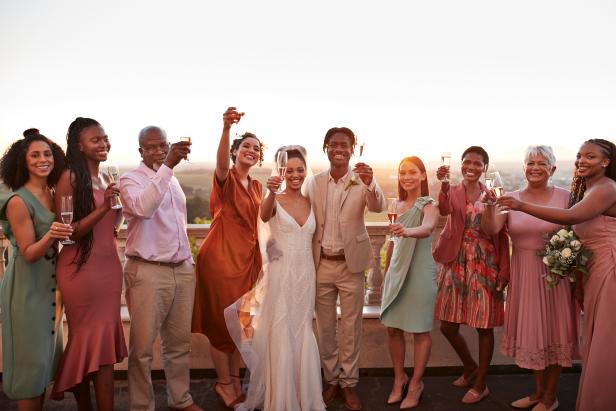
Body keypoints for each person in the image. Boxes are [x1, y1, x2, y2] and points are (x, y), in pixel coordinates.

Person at [498, 139, 616, 411]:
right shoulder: (590, 188)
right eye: (579, 156)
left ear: (606, 162)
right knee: (541, 336)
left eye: (591, 156)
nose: (582, 161)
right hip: (584, 269)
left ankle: (584, 399)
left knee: (603, 339)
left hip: (607, 267)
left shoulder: (604, 188)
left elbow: (570, 218)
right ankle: (540, 394)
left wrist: (520, 206)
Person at [225, 146, 326, 411]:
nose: (295, 175)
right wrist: (271, 191)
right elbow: (263, 215)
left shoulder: (311, 201)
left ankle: (305, 396)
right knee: (281, 330)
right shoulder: (274, 199)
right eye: (289, 170)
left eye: (300, 170)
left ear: (306, 171)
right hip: (281, 275)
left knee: (302, 329)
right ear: (280, 171)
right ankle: (281, 400)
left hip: (306, 274)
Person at [482, 146, 579, 411]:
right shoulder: (509, 198)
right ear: (524, 168)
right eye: (530, 163)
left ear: (553, 169)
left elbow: (578, 234)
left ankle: (550, 396)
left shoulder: (566, 198)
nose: (535, 167)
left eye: (542, 163)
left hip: (555, 275)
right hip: (523, 274)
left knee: (554, 330)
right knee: (533, 333)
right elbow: (492, 229)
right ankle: (537, 393)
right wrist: (490, 206)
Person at [119, 126, 202, 411]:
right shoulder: (130, 180)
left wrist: (187, 262)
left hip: (181, 270)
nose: (157, 151)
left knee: (179, 345)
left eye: (162, 146)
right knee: (141, 350)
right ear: (140, 150)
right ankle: (141, 406)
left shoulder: (172, 179)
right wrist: (167, 166)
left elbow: (177, 223)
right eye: (150, 147)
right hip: (148, 272)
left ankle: (181, 400)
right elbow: (143, 208)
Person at [306, 127, 386, 411]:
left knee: (351, 329)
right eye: (334, 144)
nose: (339, 148)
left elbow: (379, 205)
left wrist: (371, 182)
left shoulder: (362, 180)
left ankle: (349, 383)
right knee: (325, 329)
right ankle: (331, 380)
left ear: (353, 149)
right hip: (321, 265)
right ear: (325, 147)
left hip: (351, 266)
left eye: (345, 144)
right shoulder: (313, 183)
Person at [51, 117, 128, 411]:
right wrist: (105, 208)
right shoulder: (70, 177)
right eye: (95, 140)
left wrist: (114, 212)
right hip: (80, 270)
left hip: (108, 268)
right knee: (86, 341)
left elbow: (110, 226)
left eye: (105, 138)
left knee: (102, 345)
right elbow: (68, 233)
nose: (103, 143)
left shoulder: (105, 179)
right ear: (79, 146)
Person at [192, 107, 264, 408]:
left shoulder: (259, 186)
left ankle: (234, 381)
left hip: (248, 262)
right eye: (245, 146)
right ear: (235, 152)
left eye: (256, 148)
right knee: (222, 326)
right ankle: (224, 383)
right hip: (221, 261)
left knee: (241, 325)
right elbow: (220, 164)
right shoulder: (227, 177)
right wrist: (225, 128)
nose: (251, 150)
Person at [0, 129, 72, 411]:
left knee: (43, 364)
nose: (43, 159)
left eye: (47, 153)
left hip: (50, 290)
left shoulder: (52, 192)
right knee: (30, 369)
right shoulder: (19, 200)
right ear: (23, 161)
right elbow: (29, 253)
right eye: (35, 155)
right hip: (27, 291)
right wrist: (53, 235)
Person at [432, 146, 509, 404]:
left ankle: (481, 383)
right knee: (447, 325)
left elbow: (502, 233)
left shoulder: (494, 194)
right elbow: (443, 210)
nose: (471, 167)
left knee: (483, 326)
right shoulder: (453, 190)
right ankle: (470, 366)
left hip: (485, 262)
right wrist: (442, 186)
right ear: (461, 165)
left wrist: (504, 270)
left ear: (485, 167)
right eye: (467, 162)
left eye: (477, 163)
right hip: (455, 261)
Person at [381, 156, 439, 409]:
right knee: (393, 328)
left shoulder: (429, 204)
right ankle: (398, 378)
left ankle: (415, 384)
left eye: (412, 172)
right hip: (397, 271)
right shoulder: (397, 204)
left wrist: (406, 232)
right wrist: (386, 271)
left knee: (420, 331)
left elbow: (426, 229)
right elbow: (393, 242)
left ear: (423, 176)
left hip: (420, 274)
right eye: (402, 172)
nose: (406, 177)